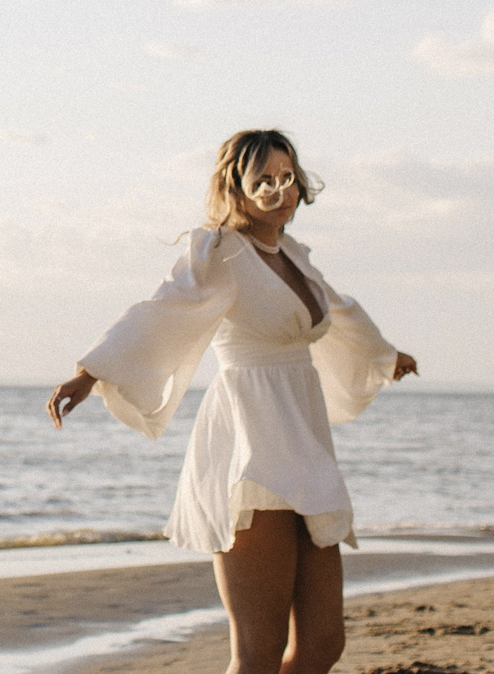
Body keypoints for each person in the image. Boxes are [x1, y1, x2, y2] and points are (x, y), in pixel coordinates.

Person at [46, 130, 418, 674]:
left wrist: (384, 357)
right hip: (250, 440)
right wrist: (90, 372)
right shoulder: (219, 251)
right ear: (235, 187)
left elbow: (338, 314)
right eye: (262, 179)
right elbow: (160, 310)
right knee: (258, 651)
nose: (279, 189)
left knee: (322, 644)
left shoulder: (294, 255)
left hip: (306, 443)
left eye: (287, 177)